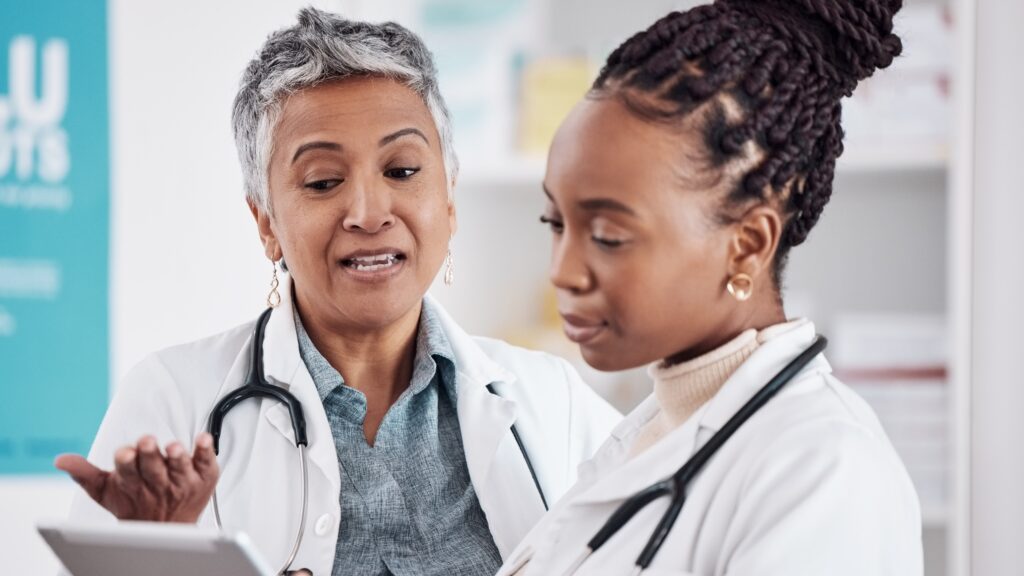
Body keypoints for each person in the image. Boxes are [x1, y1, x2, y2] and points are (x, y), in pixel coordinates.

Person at [55, 8, 619, 576]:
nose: (369, 213)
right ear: (266, 223)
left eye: (401, 171)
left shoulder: (554, 406)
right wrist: (166, 554)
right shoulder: (174, 402)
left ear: (448, 201)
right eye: (324, 181)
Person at [498, 0, 922, 574]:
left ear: (747, 244)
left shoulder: (825, 471)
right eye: (557, 224)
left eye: (608, 235)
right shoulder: (654, 429)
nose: (563, 273)